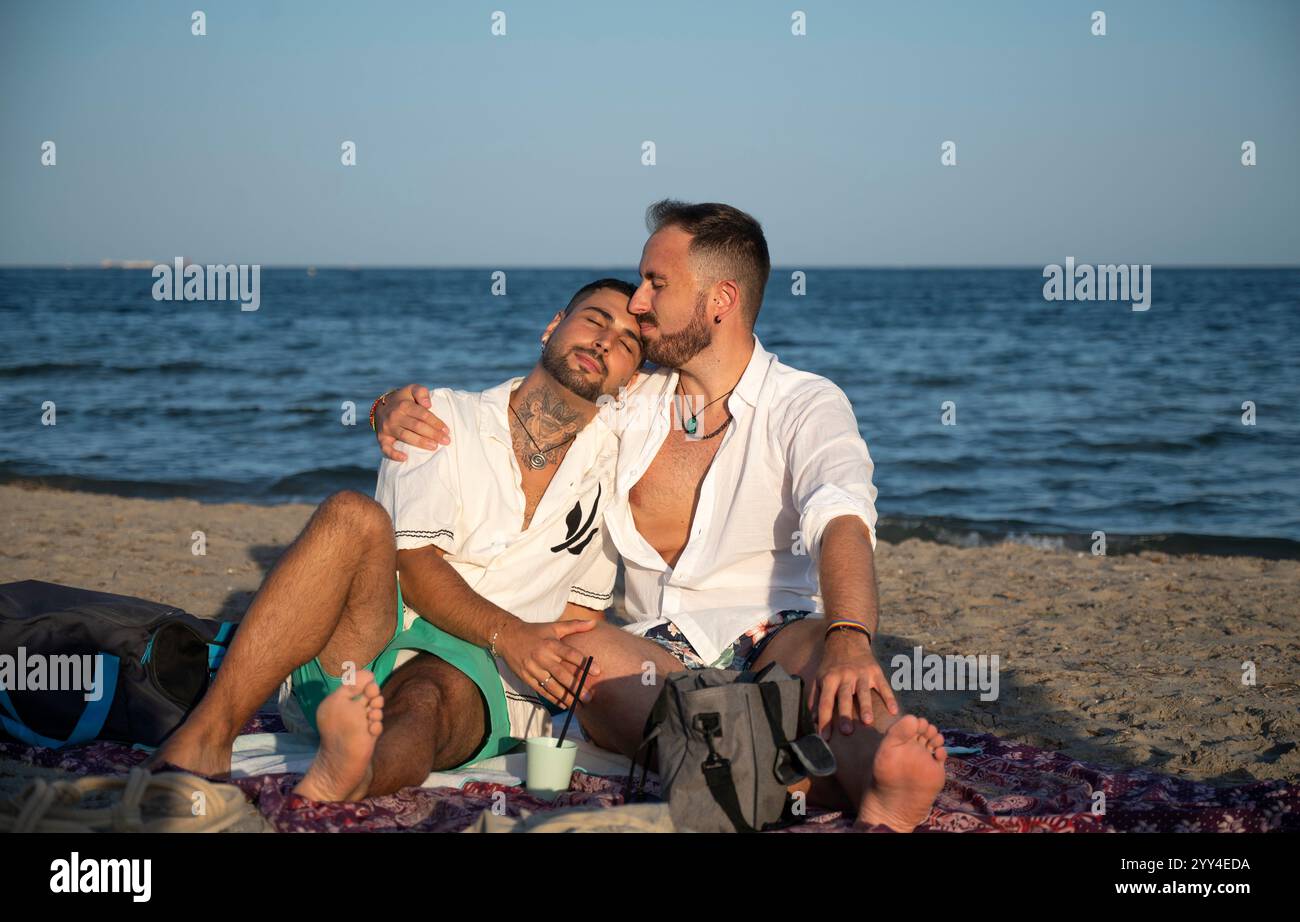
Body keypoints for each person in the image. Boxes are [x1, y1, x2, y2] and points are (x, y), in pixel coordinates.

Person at [373, 200, 948, 831]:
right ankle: (801, 775)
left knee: (834, 673)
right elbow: (535, 402)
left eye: (657, 283)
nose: (639, 302)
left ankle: (876, 785)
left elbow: (841, 517)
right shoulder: (630, 404)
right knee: (581, 652)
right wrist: (399, 405)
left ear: (719, 299)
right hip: (656, 651)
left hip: (778, 634)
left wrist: (849, 635)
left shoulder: (806, 404)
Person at [154, 279, 644, 802]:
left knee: (430, 694)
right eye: (595, 319)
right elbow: (412, 565)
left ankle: (354, 773)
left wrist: (538, 667)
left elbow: (579, 616)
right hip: (374, 636)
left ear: (631, 382)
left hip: (482, 680)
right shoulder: (440, 418)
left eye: (629, 343)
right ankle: (208, 736)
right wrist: (512, 633)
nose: (606, 341)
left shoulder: (614, 482)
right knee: (351, 513)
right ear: (552, 326)